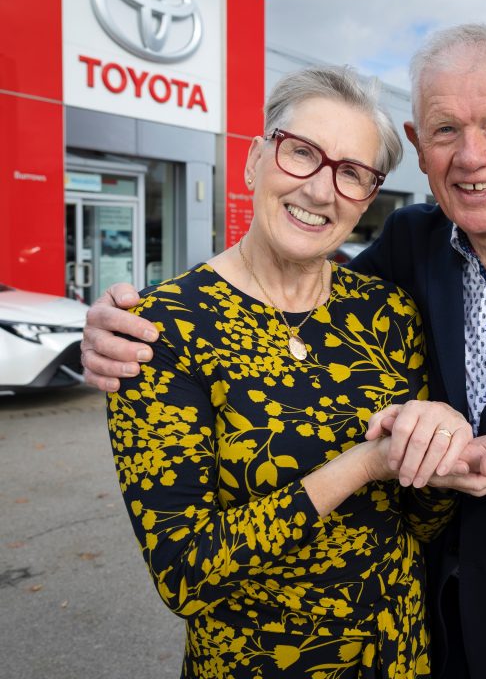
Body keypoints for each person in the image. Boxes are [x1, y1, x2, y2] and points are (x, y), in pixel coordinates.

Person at [83, 25, 486, 679]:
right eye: (446, 130)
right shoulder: (411, 248)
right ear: (419, 148)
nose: (471, 156)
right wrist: (114, 324)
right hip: (431, 640)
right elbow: (279, 275)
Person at [102, 65, 461, 679]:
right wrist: (363, 463)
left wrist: (438, 437)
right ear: (253, 161)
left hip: (399, 654)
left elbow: (425, 520)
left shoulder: (386, 312)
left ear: (368, 200)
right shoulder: (163, 329)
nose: (321, 191)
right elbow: (185, 573)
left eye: (351, 173)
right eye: (302, 153)